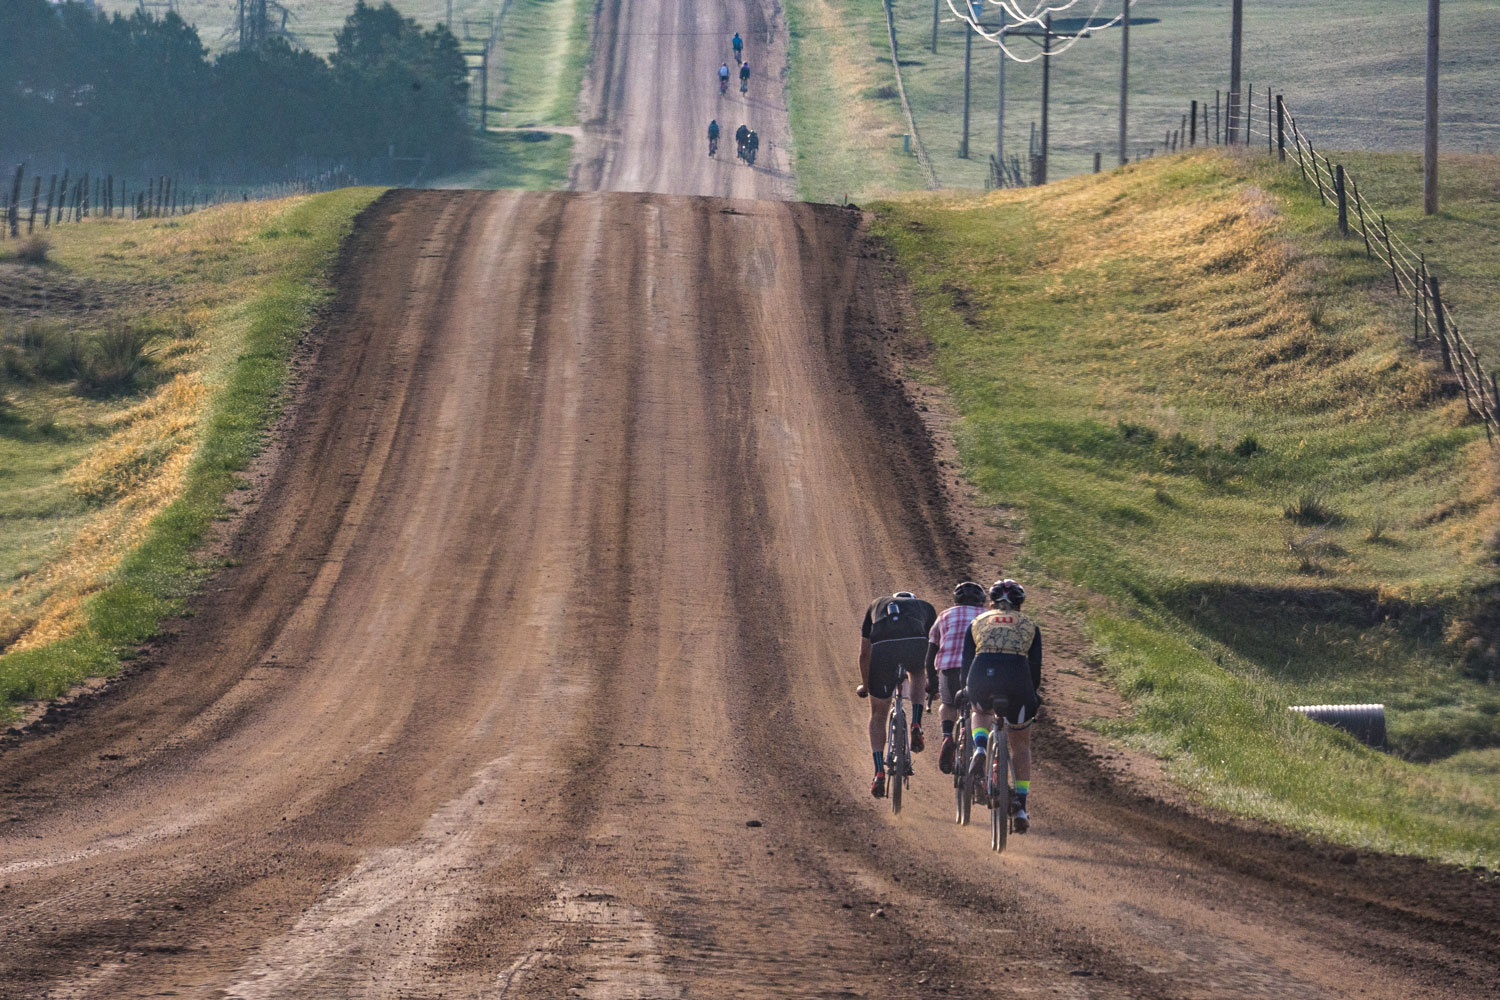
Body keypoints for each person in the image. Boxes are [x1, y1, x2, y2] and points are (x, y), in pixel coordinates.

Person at [962, 579, 1041, 832]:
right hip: (1018, 680)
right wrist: (1032, 695)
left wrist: (967, 690)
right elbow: (1035, 668)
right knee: (1020, 743)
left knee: (980, 710)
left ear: (991, 602)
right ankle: (1020, 806)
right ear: (1020, 604)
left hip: (981, 675)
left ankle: (981, 747)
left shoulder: (977, 622)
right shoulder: (1030, 625)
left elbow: (966, 662)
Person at [857, 591, 938, 798]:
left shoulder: (876, 604)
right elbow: (933, 648)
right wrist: (932, 682)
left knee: (878, 715)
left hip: (883, 650)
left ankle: (878, 772)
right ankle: (916, 724)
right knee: (917, 673)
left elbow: (865, 653)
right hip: (915, 644)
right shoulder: (925, 607)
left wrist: (866, 686)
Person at [925, 581, 987, 774]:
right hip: (979, 670)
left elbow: (931, 652)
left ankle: (947, 736)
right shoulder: (986, 616)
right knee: (984, 712)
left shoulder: (944, 615)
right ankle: (982, 748)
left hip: (950, 670)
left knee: (949, 705)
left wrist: (933, 683)